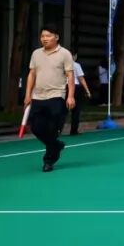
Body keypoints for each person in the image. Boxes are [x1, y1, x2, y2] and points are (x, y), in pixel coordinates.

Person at [24, 24, 75, 172]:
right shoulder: (36, 54)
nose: (44, 39)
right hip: (38, 96)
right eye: (42, 36)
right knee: (36, 128)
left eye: (48, 36)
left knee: (52, 129)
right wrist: (27, 95)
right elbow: (31, 74)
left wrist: (70, 96)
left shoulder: (65, 53)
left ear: (56, 37)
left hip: (56, 96)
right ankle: (56, 145)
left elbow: (70, 75)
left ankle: (48, 161)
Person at [68, 54, 92, 135]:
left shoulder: (63, 64)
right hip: (75, 87)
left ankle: (58, 130)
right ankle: (73, 130)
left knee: (63, 110)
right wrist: (87, 90)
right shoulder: (76, 65)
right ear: (75, 56)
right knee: (76, 110)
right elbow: (81, 78)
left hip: (65, 87)